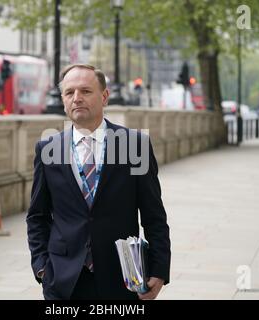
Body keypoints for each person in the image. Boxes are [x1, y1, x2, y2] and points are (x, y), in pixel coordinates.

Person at [27, 63, 171, 300]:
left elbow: (153, 214)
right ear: (63, 100)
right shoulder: (47, 149)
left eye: (85, 91)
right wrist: (42, 267)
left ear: (104, 97)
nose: (77, 98)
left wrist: (159, 268)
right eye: (69, 92)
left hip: (121, 279)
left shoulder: (135, 146)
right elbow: (37, 216)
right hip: (63, 281)